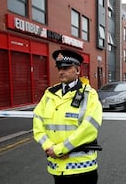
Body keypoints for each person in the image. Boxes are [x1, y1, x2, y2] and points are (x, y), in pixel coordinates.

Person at [33, 49, 103, 184]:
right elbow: (38, 122)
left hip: (81, 167)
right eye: (59, 68)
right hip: (56, 167)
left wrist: (59, 150)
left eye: (66, 68)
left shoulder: (89, 94)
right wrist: (48, 146)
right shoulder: (50, 93)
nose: (61, 71)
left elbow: (89, 128)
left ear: (77, 70)